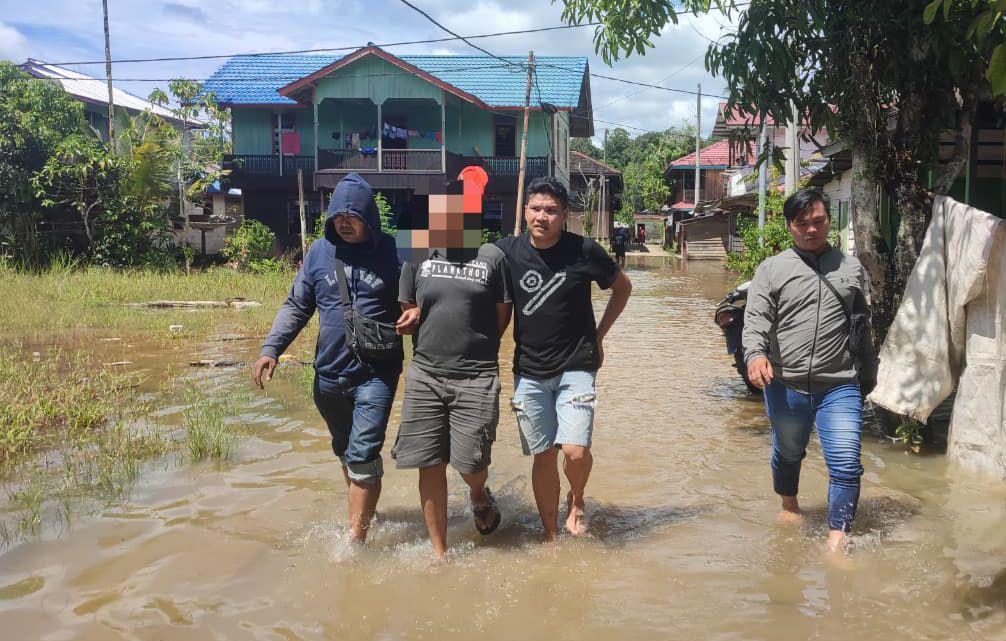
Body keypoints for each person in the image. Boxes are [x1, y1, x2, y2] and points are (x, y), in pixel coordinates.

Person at [253, 173, 403, 544]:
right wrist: (272, 348)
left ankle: (355, 541)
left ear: (370, 218)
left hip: (376, 374)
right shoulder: (319, 253)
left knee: (363, 456)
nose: (345, 223)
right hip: (329, 377)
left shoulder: (395, 252)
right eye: (338, 216)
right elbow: (296, 305)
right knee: (345, 452)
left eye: (353, 217)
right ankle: (366, 513)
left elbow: (422, 296)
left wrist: (416, 313)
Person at [496, 177, 633, 540]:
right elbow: (465, 279)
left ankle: (577, 499)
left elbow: (623, 288)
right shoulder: (505, 252)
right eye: (536, 209)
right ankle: (550, 534)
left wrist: (600, 336)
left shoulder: (584, 251)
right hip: (528, 370)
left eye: (552, 210)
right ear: (524, 212)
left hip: (578, 364)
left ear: (565, 215)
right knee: (543, 456)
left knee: (573, 451)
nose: (542, 217)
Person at [742, 189, 877, 553]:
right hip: (786, 383)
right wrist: (755, 355)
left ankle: (838, 537)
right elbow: (755, 320)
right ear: (790, 227)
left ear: (829, 222)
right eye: (803, 224)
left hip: (840, 383)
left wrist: (870, 374)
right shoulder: (772, 269)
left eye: (818, 222)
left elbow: (862, 326)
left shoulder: (851, 269)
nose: (812, 230)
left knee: (847, 462)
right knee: (788, 452)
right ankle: (789, 504)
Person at [391, 175, 512, 559]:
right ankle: (439, 554)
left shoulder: (492, 257)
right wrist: (410, 315)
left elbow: (501, 315)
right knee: (429, 463)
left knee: (471, 462)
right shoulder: (419, 254)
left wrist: (475, 345)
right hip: (426, 373)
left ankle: (478, 494)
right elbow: (409, 305)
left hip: (476, 376)